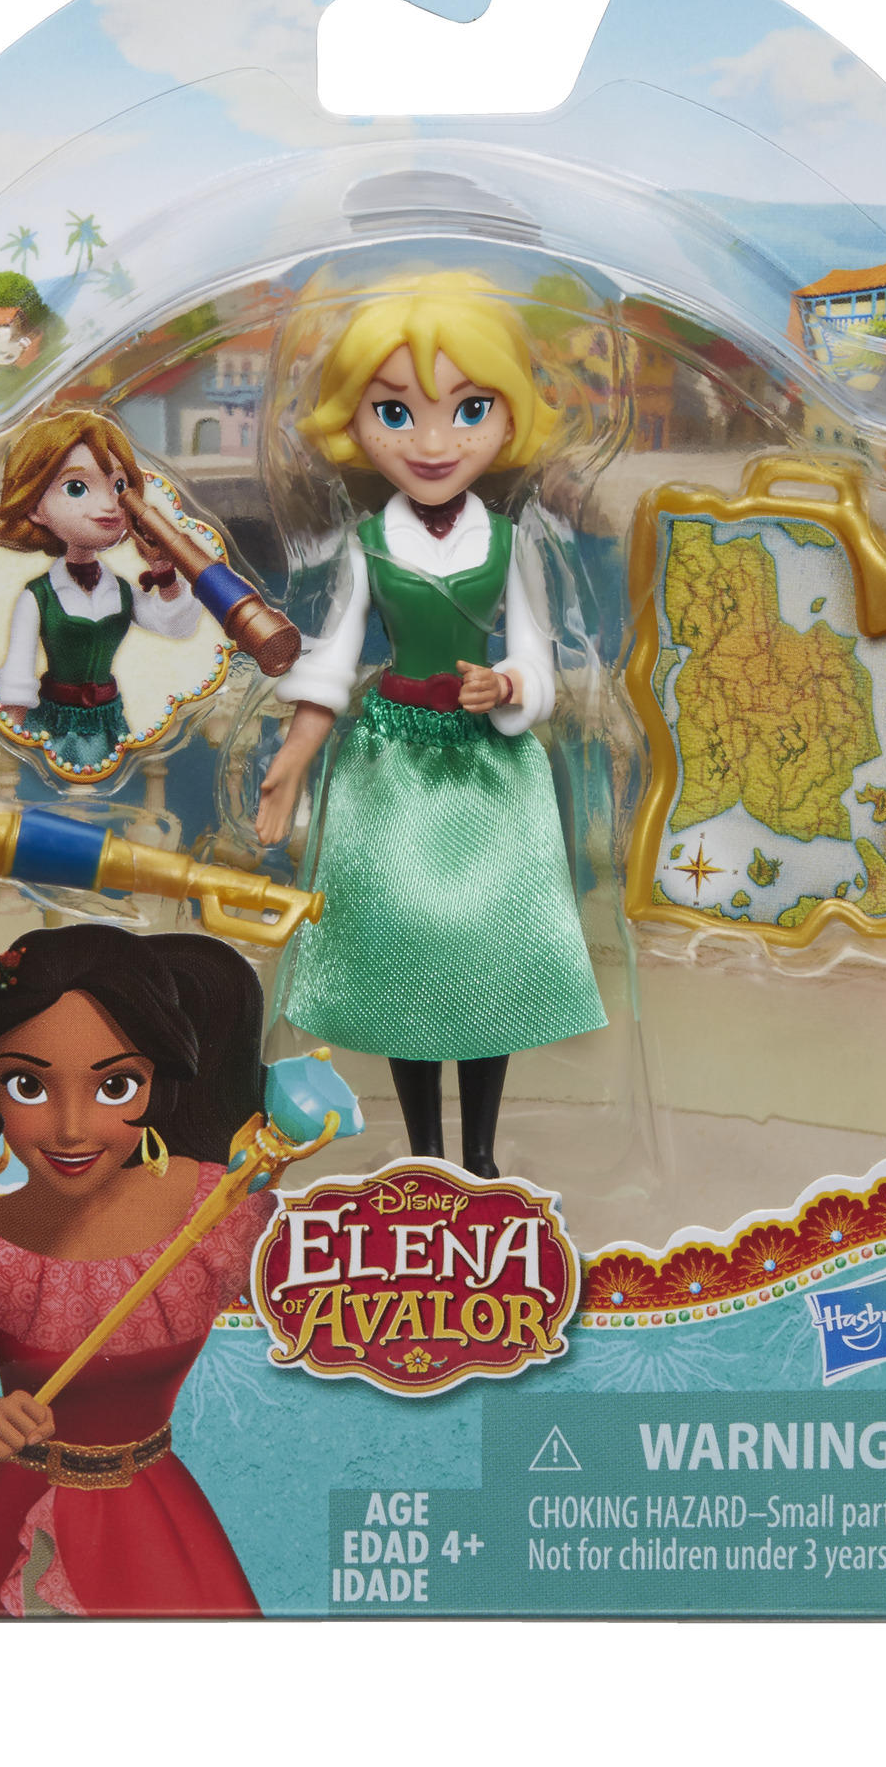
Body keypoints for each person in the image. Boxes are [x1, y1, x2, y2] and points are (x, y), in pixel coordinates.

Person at [254, 272, 607, 1178]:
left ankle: (479, 1156)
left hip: (489, 770)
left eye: (471, 409)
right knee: (405, 957)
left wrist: (509, 685)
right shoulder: (368, 543)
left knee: (489, 955)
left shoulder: (512, 540)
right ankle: (423, 1154)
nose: (436, 441)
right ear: (356, 424)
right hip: (392, 766)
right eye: (396, 414)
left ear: (510, 417)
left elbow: (540, 657)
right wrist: (294, 758)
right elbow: (331, 658)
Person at [0, 925, 274, 1617]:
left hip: (152, 1514)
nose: (71, 1129)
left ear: (157, 1082)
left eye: (115, 1086)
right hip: (21, 1507)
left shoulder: (214, 1208)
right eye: (27, 1085)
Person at [0, 409, 200, 772]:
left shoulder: (121, 590)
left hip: (110, 724)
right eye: (77, 488)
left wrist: (164, 573)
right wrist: (12, 742)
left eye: (118, 487)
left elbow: (176, 626)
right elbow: (18, 674)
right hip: (56, 727)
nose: (108, 506)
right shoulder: (38, 596)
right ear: (35, 507)